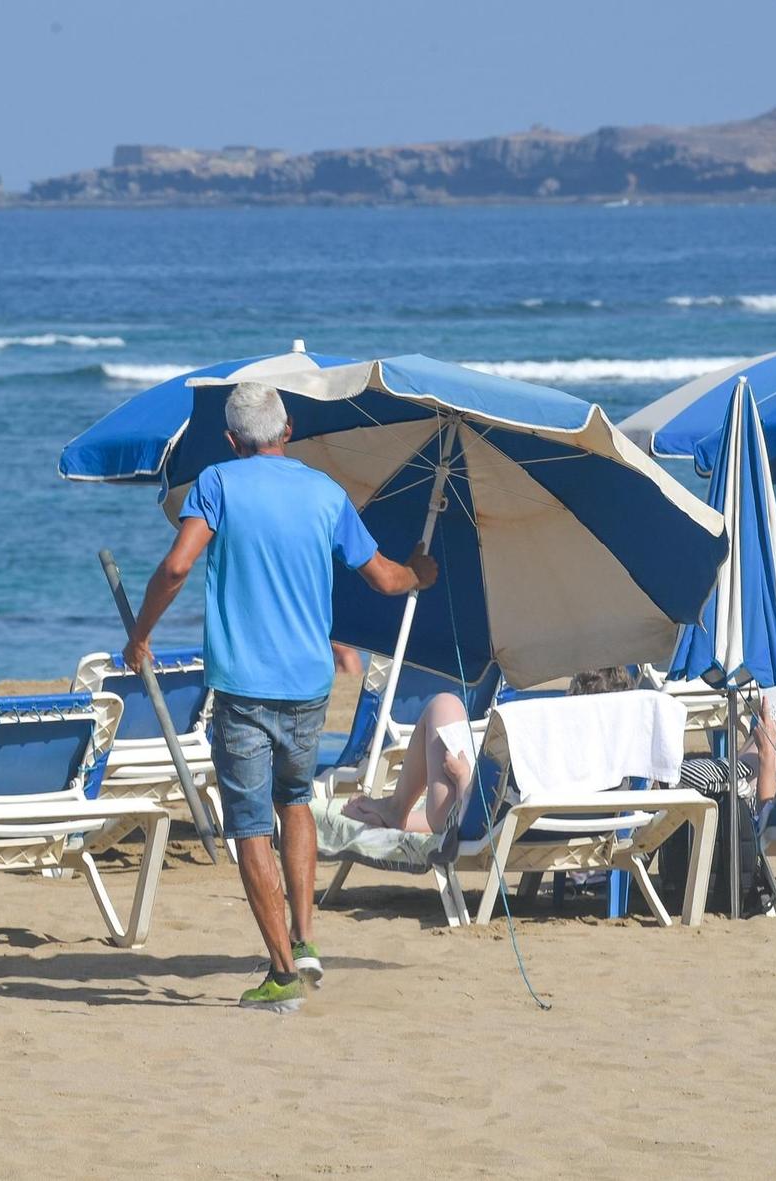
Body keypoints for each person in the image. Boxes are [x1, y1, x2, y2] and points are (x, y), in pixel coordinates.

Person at [123, 381, 437, 1014]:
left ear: (232, 440)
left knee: (249, 827)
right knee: (295, 801)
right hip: (308, 685)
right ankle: (306, 939)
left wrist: (141, 634)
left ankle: (283, 973)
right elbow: (382, 577)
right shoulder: (325, 492)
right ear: (287, 428)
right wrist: (419, 575)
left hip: (242, 686)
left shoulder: (217, 482)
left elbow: (179, 566)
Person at [340, 667, 635, 836]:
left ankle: (393, 808)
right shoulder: (619, 766)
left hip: (491, 829)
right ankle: (392, 814)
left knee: (445, 704)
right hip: (560, 833)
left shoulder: (557, 754)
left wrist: (464, 777)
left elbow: (507, 810)